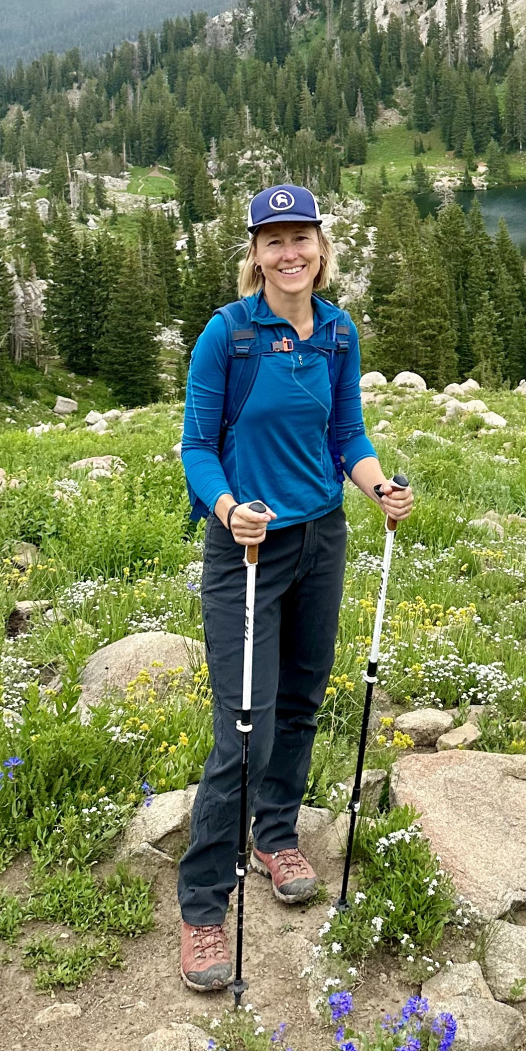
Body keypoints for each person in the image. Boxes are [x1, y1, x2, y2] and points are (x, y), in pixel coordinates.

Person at [177, 183, 413, 991]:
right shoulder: (229, 337)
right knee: (244, 725)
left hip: (323, 538)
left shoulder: (338, 332)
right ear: (255, 253)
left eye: (301, 238)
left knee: (304, 700)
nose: (289, 254)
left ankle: (275, 836)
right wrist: (228, 505)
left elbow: (346, 430)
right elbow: (196, 447)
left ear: (320, 245)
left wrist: (377, 486)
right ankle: (204, 907)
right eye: (272, 240)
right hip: (246, 546)